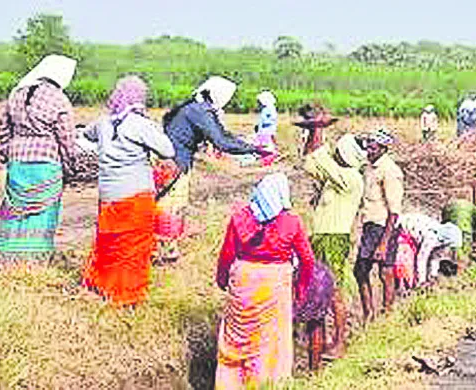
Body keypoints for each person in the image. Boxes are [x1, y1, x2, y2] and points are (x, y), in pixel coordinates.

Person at [82, 76, 175, 307]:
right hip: (135, 195)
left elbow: (87, 135)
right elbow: (167, 149)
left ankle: (101, 285)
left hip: (108, 195)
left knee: (108, 242)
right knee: (133, 246)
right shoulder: (139, 124)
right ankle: (126, 296)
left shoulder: (103, 122)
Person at [215, 173, 313, 389]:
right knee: (268, 344)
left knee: (235, 341)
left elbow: (227, 254)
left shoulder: (240, 218)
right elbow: (307, 259)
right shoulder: (291, 222)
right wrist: (301, 289)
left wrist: (222, 280)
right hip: (274, 285)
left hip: (242, 281)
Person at [153, 76, 264, 263]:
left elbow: (222, 135)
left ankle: (163, 248)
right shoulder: (201, 111)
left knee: (168, 203)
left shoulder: (196, 107)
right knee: (170, 206)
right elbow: (221, 141)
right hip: (174, 162)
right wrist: (252, 148)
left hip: (171, 160)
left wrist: (247, 146)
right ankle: (163, 251)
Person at [0, 55, 78, 267]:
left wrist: (7, 150)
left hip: (18, 161)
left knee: (15, 211)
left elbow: (3, 124)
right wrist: (70, 167)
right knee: (43, 212)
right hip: (46, 162)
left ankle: (6, 258)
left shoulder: (17, 94)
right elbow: (66, 139)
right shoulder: (59, 99)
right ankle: (35, 261)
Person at [302, 121, 366, 357]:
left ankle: (340, 341)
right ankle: (326, 338)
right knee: (319, 290)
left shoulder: (351, 178)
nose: (334, 154)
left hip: (334, 240)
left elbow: (322, 158)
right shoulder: (335, 177)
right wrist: (312, 131)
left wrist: (318, 128)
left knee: (335, 290)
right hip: (320, 238)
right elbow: (310, 160)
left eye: (338, 151)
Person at [354, 128, 404, 322]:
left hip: (384, 225)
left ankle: (387, 313)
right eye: (368, 146)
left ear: (383, 148)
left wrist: (384, 242)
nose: (369, 149)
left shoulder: (390, 171)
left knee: (385, 270)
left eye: (373, 146)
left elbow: (394, 210)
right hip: (370, 224)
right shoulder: (368, 167)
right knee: (361, 270)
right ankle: (369, 314)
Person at [395, 213, 462, 289]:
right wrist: (422, 281)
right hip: (403, 227)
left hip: (416, 235)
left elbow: (435, 258)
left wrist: (433, 276)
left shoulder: (443, 241)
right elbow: (421, 258)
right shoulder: (432, 236)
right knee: (407, 261)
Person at [253, 90, 278, 165]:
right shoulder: (265, 109)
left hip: (267, 130)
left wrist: (264, 123)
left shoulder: (270, 108)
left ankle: (267, 159)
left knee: (267, 145)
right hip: (263, 131)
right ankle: (264, 158)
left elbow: (272, 119)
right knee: (262, 144)